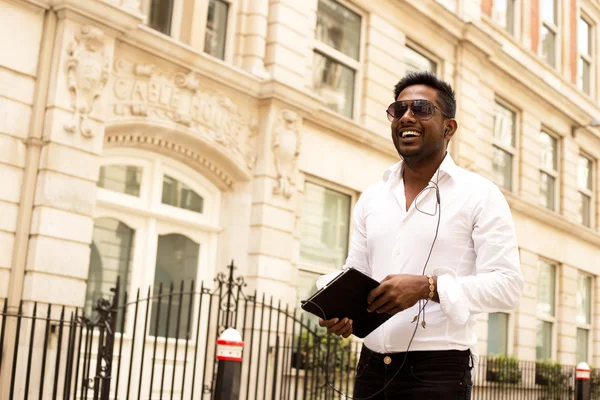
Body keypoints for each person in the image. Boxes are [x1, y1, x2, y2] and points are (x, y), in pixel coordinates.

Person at [316, 71, 524, 400]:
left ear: (448, 127)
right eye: (398, 110)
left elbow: (508, 286)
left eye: (422, 109)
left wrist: (428, 287)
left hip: (438, 372)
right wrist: (343, 311)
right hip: (369, 369)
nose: (407, 117)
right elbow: (357, 272)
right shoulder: (372, 197)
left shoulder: (480, 195)